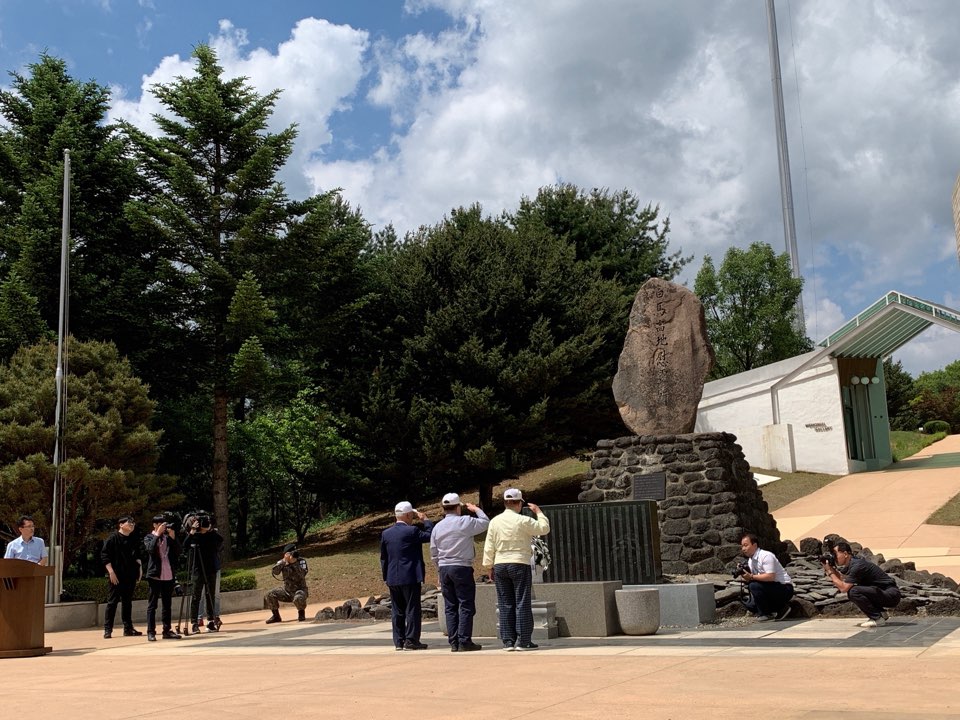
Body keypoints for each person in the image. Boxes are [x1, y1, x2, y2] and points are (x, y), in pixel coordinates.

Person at [482, 488, 549, 651]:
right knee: (522, 602)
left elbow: (489, 545)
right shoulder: (523, 520)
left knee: (505, 603)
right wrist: (539, 512)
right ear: (519, 503)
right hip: (519, 563)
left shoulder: (495, 521)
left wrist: (488, 566)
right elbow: (543, 528)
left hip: (500, 564)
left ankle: (508, 641)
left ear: (505, 502)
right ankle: (524, 640)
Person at [429, 493, 489, 652]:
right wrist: (476, 509)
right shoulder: (464, 521)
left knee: (450, 606)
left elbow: (433, 552)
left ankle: (453, 641)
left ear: (443, 508)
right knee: (465, 604)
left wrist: (438, 570)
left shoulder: (437, 527)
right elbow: (485, 523)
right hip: (462, 567)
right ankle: (464, 640)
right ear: (458, 507)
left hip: (444, 568)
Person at [380, 501, 434, 650]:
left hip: (392, 576)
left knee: (397, 610)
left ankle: (399, 641)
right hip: (409, 575)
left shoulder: (386, 533)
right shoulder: (412, 531)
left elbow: (384, 557)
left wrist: (386, 576)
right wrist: (426, 520)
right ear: (409, 515)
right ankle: (411, 640)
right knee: (412, 609)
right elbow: (431, 535)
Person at [824, 541, 901, 627]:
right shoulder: (853, 563)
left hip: (891, 594)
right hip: (884, 592)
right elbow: (842, 579)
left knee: (853, 591)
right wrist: (830, 568)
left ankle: (877, 619)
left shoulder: (857, 566)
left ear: (845, 554)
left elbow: (843, 588)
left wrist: (830, 572)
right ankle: (881, 614)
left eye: (835, 554)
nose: (834, 557)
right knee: (856, 589)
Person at [101, 516, 143, 638]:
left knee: (127, 602)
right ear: (120, 524)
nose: (132, 525)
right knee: (112, 602)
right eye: (129, 523)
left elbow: (137, 555)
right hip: (116, 575)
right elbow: (105, 556)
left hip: (130, 574)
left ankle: (128, 628)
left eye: (133, 523)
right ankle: (108, 629)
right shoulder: (112, 538)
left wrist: (139, 570)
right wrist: (111, 572)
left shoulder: (133, 539)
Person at [182, 514, 224, 634]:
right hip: (197, 570)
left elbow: (221, 540)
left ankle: (211, 621)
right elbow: (185, 545)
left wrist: (210, 529)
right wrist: (193, 531)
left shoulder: (212, 535)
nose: (206, 524)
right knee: (196, 596)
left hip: (210, 569)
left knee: (210, 595)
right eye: (203, 522)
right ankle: (194, 623)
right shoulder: (195, 536)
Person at [737, 533, 794, 621]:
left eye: (745, 545)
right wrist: (745, 576)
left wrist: (751, 577)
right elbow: (757, 578)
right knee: (750, 605)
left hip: (784, 588)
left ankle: (769, 613)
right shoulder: (750, 561)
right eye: (742, 546)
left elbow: (770, 576)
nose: (743, 549)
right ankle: (777, 610)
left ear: (754, 545)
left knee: (754, 585)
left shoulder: (766, 556)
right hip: (771, 587)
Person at [143, 515, 182, 641]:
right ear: (154, 525)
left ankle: (167, 630)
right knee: (152, 605)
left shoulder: (167, 538)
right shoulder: (149, 537)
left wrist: (173, 537)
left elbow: (177, 552)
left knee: (167, 604)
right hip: (155, 575)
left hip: (168, 574)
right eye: (159, 524)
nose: (162, 526)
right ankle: (151, 631)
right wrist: (157, 535)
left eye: (163, 524)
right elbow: (149, 549)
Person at [265, 543, 309, 623]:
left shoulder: (301, 561)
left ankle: (301, 613)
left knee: (298, 598)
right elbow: (275, 572)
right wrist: (284, 561)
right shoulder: (282, 562)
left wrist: (294, 563)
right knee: (270, 594)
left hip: (300, 590)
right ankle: (276, 616)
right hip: (287, 591)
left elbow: (303, 574)